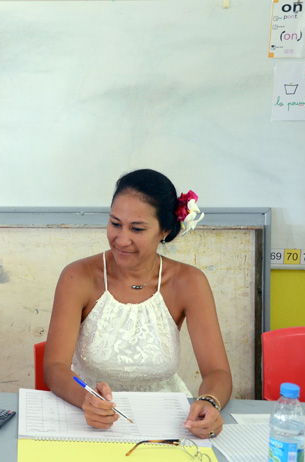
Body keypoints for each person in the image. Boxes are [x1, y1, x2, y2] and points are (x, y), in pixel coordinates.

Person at [43, 168, 232, 440]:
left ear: (165, 231)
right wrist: (87, 399)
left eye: (137, 229)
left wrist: (210, 402)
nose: (122, 240)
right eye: (115, 224)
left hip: (167, 425)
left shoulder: (189, 283)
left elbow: (217, 371)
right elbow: (55, 367)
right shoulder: (78, 277)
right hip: (89, 419)